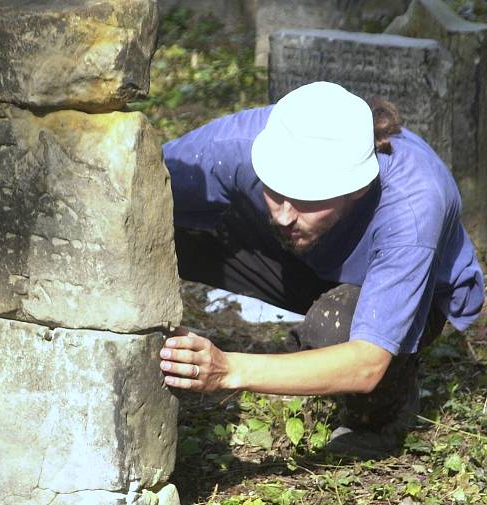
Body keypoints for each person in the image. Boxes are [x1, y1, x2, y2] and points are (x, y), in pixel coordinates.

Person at [159, 81, 485, 457]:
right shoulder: (240, 146)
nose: (282, 214)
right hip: (307, 259)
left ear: (357, 188)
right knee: (152, 220)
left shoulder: (413, 206)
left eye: (304, 199)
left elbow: (366, 363)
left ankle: (380, 416)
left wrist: (227, 368)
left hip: (402, 288)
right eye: (274, 191)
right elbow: (125, 189)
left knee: (335, 327)